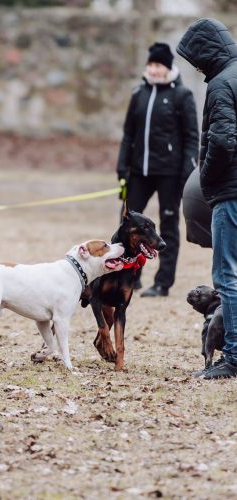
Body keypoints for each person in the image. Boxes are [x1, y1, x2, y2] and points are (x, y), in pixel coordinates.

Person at [177, 18, 237, 379]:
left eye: (196, 59)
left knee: (226, 277)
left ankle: (233, 357)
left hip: (231, 192)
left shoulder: (221, 84)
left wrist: (207, 178)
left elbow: (224, 141)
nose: (196, 67)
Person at [117, 42, 199, 297]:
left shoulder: (181, 95)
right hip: (139, 172)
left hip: (170, 173)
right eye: (150, 64)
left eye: (158, 65)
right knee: (128, 223)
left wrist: (187, 168)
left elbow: (191, 136)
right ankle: (130, 273)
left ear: (168, 68)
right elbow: (129, 133)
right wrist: (123, 165)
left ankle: (163, 282)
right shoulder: (138, 93)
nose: (153, 69)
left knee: (168, 224)